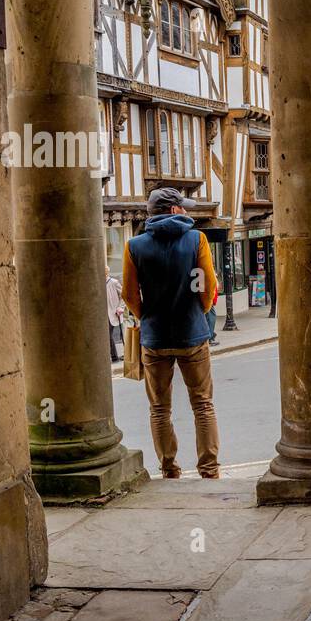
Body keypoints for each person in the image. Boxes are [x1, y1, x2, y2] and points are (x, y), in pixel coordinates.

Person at [122, 187, 221, 479]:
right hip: (192, 334)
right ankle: (209, 469)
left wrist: (148, 316)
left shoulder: (134, 246)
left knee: (159, 408)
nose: (188, 211)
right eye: (184, 207)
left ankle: (169, 469)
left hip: (155, 339)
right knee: (203, 405)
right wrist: (198, 313)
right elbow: (207, 285)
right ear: (175, 210)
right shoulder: (196, 240)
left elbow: (129, 294)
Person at [105, 266, 124, 363]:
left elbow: (123, 296)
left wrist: (120, 307)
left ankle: (114, 357)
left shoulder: (113, 282)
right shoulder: (100, 284)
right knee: (106, 335)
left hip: (112, 313)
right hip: (103, 315)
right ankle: (113, 356)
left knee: (108, 335)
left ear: (106, 273)